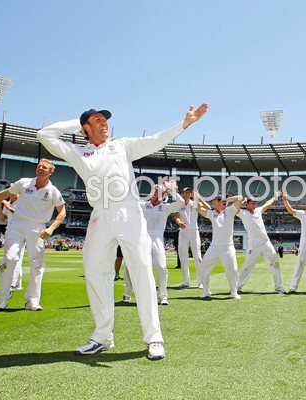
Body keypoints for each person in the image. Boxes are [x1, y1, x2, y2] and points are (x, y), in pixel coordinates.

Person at [37, 104, 207, 360]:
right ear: (86, 128)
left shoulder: (121, 145)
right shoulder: (78, 151)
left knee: (141, 270)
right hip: (100, 216)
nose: (105, 123)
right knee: (95, 273)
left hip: (129, 213)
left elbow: (154, 141)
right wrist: (79, 121)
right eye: (98, 120)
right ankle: (102, 336)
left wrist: (183, 125)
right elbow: (45, 135)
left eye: (106, 119)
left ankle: (154, 337)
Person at [0, 159, 66, 311]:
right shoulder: (24, 182)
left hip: (38, 227)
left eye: (44, 167)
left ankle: (32, 300)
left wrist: (51, 229)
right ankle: (3, 296)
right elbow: (4, 193)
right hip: (17, 224)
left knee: (37, 264)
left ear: (51, 171)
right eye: (38, 166)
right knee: (9, 259)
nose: (40, 168)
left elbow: (62, 212)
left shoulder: (53, 191)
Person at [123, 184, 183, 305]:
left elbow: (181, 202)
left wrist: (171, 190)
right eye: (153, 191)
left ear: (163, 195)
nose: (154, 193)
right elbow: (128, 202)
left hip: (157, 240)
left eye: (158, 191)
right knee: (128, 265)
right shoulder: (143, 205)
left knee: (161, 267)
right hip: (141, 239)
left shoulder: (165, 208)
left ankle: (163, 296)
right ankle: (127, 293)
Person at [195, 193, 243, 299]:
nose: (212, 202)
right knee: (203, 268)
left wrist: (227, 200)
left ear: (221, 202)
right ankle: (206, 291)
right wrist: (196, 197)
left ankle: (234, 292)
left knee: (232, 270)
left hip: (228, 247)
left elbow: (240, 198)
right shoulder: (212, 213)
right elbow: (197, 208)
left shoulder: (230, 210)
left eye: (214, 201)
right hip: (214, 246)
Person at [236, 192, 285, 294]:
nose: (254, 205)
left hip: (266, 243)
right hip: (253, 245)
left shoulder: (258, 211)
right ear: (247, 204)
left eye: (255, 203)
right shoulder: (242, 213)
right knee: (247, 267)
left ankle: (279, 288)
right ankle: (237, 287)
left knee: (275, 263)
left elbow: (267, 204)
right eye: (252, 203)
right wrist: (242, 201)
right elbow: (233, 209)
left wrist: (275, 196)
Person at [174, 187, 203, 288]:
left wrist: (198, 198)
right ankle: (186, 282)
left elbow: (206, 208)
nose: (187, 194)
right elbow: (176, 215)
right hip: (183, 232)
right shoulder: (179, 204)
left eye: (189, 193)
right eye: (185, 192)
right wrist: (179, 222)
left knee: (197, 256)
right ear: (182, 194)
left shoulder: (194, 203)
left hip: (194, 232)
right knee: (183, 257)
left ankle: (201, 282)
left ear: (190, 194)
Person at [0, 195, 24, 290]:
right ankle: (17, 284)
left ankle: (12, 284)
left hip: (20, 232)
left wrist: (8, 207)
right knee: (14, 257)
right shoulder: (8, 203)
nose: (12, 194)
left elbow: (20, 215)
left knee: (14, 257)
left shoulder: (23, 202)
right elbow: (2, 219)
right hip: (10, 231)